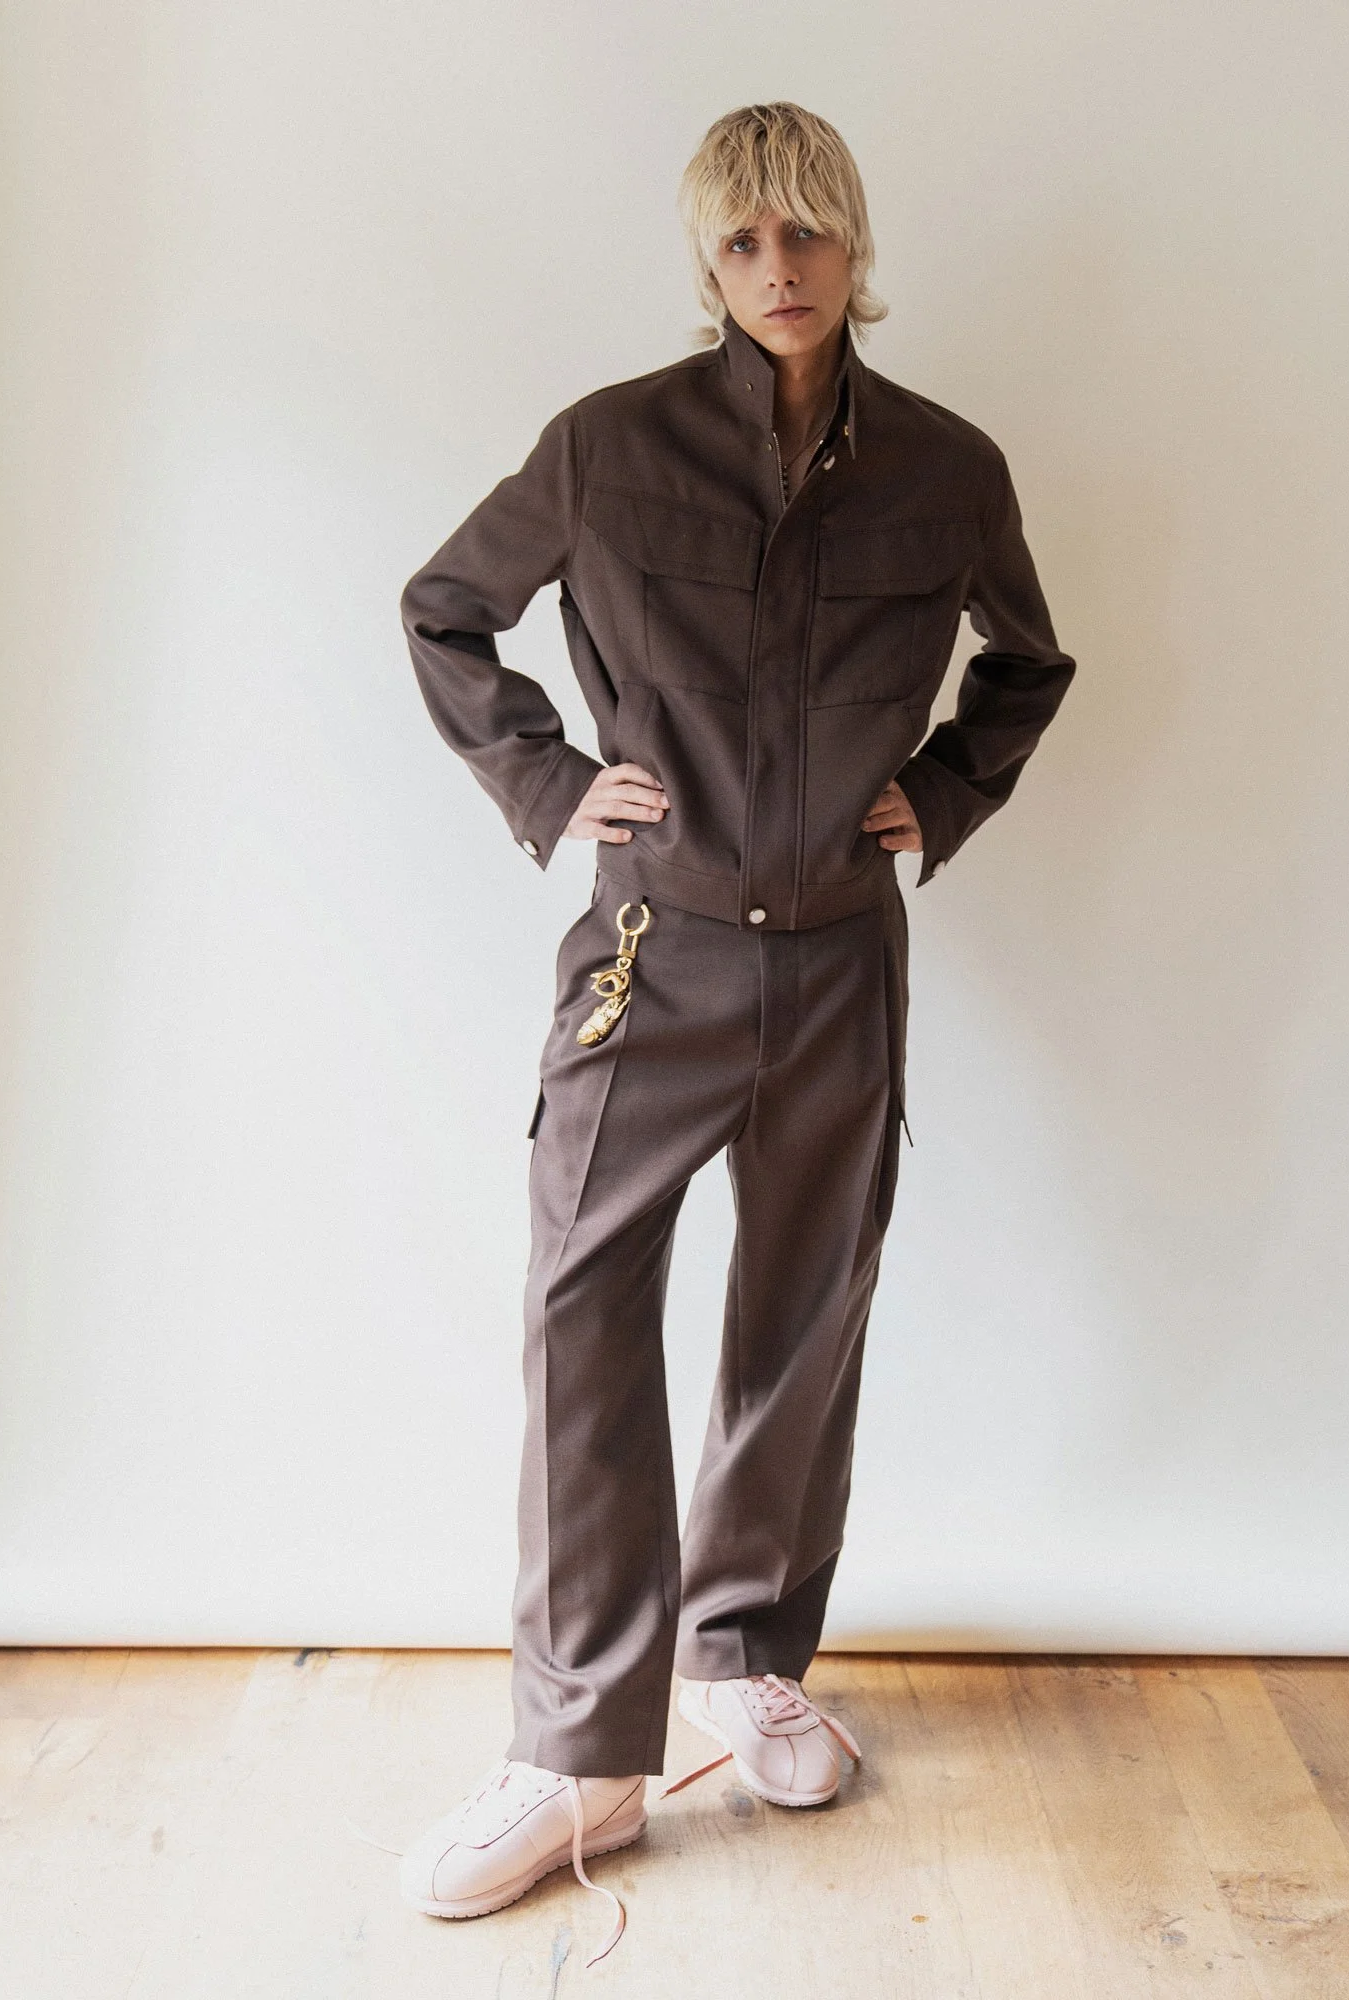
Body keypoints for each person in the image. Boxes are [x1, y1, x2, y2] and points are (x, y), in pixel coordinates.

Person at [394, 101, 1076, 1962]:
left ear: (857, 244)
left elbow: (1028, 663)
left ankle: (747, 1650)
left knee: (804, 1307)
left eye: (811, 233)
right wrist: (553, 786)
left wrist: (945, 793)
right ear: (706, 262)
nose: (783, 269)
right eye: (746, 241)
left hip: (842, 959)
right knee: (582, 1305)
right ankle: (575, 1751)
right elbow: (447, 614)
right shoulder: (606, 450)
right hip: (651, 958)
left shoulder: (947, 469)